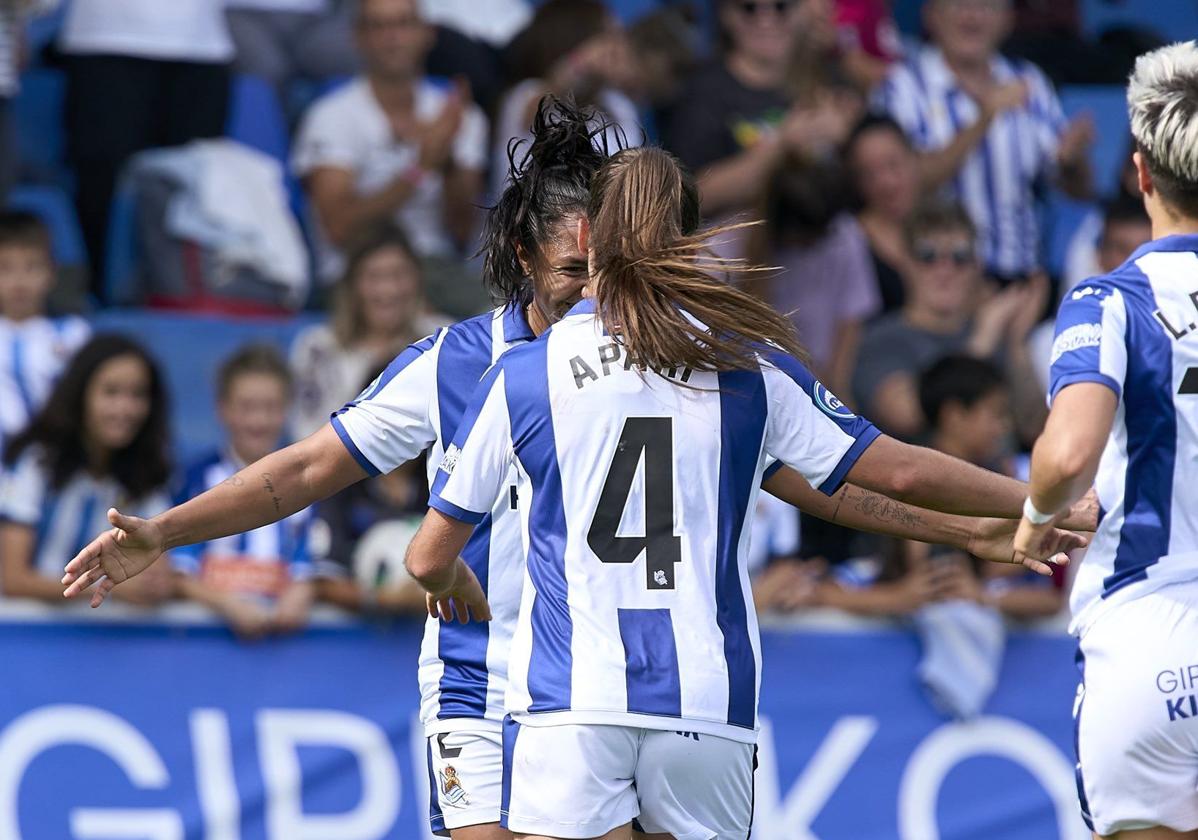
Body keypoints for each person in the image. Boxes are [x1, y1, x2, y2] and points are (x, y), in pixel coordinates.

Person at [62, 102, 1090, 840]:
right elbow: (305, 468)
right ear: (525, 254)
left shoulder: (645, 363)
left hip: (589, 695)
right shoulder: (463, 362)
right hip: (484, 680)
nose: (588, 290)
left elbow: (809, 480)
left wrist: (977, 532)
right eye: (568, 274)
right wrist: (171, 530)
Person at [400, 145, 1086, 839]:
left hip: (574, 701)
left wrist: (452, 575)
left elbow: (427, 558)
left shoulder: (523, 374)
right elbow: (896, 470)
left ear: (590, 240)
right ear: (689, 246)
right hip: (706, 704)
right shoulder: (746, 365)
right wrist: (1035, 502)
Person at [1013, 42, 1198, 839]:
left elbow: (1063, 456)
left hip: (1146, 636)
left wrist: (1032, 518)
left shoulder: (1109, 299)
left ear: (1140, 174)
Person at [874, 0, 1093, 282]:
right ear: (931, 16)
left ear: (1008, 19)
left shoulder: (1030, 80)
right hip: (939, 278)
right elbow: (907, 183)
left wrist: (1071, 160)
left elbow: (1079, 190)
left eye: (986, 6)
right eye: (958, 5)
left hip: (1020, 278)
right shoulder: (902, 85)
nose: (972, 16)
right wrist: (983, 119)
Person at [291, 0, 488, 315]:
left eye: (403, 24)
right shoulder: (331, 116)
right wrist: (419, 169)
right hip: (355, 269)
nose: (392, 37)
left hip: (435, 268)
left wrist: (447, 160)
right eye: (379, 26)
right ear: (358, 37)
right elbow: (339, 228)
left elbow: (463, 233)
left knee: (509, 316)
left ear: (427, 34)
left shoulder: (459, 117)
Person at [59, 0, 233, 297]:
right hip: (104, 39)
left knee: (193, 184)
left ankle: (184, 292)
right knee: (101, 183)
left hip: (201, 44)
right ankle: (97, 295)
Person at [852, 200, 1047, 441]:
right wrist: (982, 341)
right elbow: (905, 414)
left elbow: (1035, 427)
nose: (944, 270)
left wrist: (1016, 341)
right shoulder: (881, 339)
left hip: (998, 475)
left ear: (977, 266)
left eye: (959, 256)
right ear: (905, 262)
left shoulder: (993, 330)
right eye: (928, 256)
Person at [1, 335, 173, 605]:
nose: (124, 409)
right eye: (111, 392)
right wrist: (113, 590)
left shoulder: (149, 474)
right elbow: (13, 579)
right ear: (81, 395)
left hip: (106, 644)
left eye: (137, 394)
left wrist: (157, 583)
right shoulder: (36, 462)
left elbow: (159, 571)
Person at [173, 346, 315, 639]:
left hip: (282, 650)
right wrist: (226, 606)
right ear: (222, 408)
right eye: (247, 407)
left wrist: (301, 593)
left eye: (271, 407)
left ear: (287, 409)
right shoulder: (196, 479)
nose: (259, 420)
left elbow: (308, 567)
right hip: (207, 645)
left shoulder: (306, 481)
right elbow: (178, 572)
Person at [289, 224, 446, 439]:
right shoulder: (319, 347)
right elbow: (306, 436)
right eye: (374, 276)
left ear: (417, 278)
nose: (388, 290)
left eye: (398, 275)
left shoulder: (443, 340)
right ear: (352, 285)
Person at [494, 0, 640, 195]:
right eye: (607, 37)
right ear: (576, 39)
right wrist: (581, 62)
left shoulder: (618, 106)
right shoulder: (526, 94)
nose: (616, 47)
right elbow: (537, 110)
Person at [0, 212, 90, 454]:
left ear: (51, 273)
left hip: (57, 456)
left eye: (32, 267)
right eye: (5, 268)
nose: (19, 281)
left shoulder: (73, 333)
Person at [845, 114, 923, 314]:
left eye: (893, 165)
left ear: (914, 159)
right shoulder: (850, 241)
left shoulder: (943, 225)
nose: (886, 183)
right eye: (869, 173)